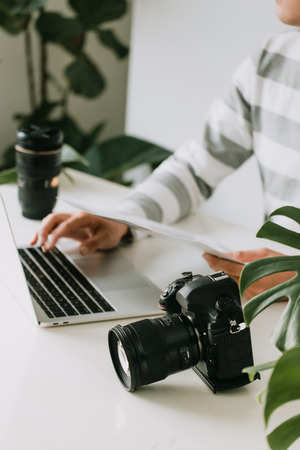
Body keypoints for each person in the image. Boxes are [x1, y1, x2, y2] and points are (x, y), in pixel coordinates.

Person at [31, 0, 300, 300]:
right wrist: (123, 219)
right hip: (269, 312)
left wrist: (295, 279)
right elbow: (196, 169)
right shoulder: (270, 61)